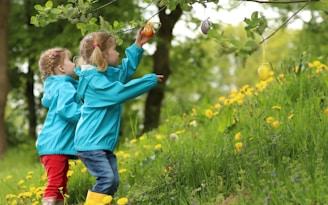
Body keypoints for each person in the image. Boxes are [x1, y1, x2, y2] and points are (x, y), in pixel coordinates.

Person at [74, 28, 164, 205]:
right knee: (107, 179)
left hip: (100, 144)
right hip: (90, 144)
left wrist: (137, 45)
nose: (117, 53)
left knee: (113, 182)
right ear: (104, 56)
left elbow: (123, 72)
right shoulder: (96, 83)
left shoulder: (104, 75)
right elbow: (118, 93)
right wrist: (148, 80)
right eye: (114, 50)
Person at [36, 47, 82, 205]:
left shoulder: (59, 86)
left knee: (61, 184)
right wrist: (86, 113)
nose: (73, 63)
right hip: (54, 145)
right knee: (55, 184)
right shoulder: (64, 86)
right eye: (70, 60)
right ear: (61, 68)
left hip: (53, 144)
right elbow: (66, 110)